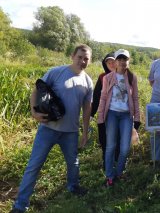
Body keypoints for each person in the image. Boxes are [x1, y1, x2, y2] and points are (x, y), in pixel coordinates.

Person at [11, 44, 93, 213]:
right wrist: (34, 111)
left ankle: (73, 186)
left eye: (86, 59)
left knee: (73, 163)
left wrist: (85, 131)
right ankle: (20, 206)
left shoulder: (88, 81)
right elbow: (36, 90)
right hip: (48, 129)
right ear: (72, 56)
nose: (82, 61)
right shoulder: (57, 72)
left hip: (70, 132)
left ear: (89, 61)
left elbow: (87, 108)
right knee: (34, 166)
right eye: (80, 57)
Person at [97, 49, 141, 187]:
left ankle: (119, 172)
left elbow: (135, 98)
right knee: (110, 146)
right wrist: (100, 118)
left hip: (126, 116)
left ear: (129, 61)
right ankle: (110, 176)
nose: (122, 62)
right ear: (115, 62)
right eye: (119, 59)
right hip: (111, 114)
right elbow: (103, 98)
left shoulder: (132, 77)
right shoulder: (107, 78)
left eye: (125, 59)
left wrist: (137, 118)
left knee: (124, 148)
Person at [91, 52, 120, 168]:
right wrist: (92, 113)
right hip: (104, 114)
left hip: (119, 114)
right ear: (105, 64)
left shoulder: (124, 76)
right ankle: (106, 161)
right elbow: (96, 95)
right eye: (109, 62)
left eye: (113, 61)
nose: (112, 64)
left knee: (118, 138)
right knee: (104, 138)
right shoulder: (102, 77)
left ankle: (117, 161)